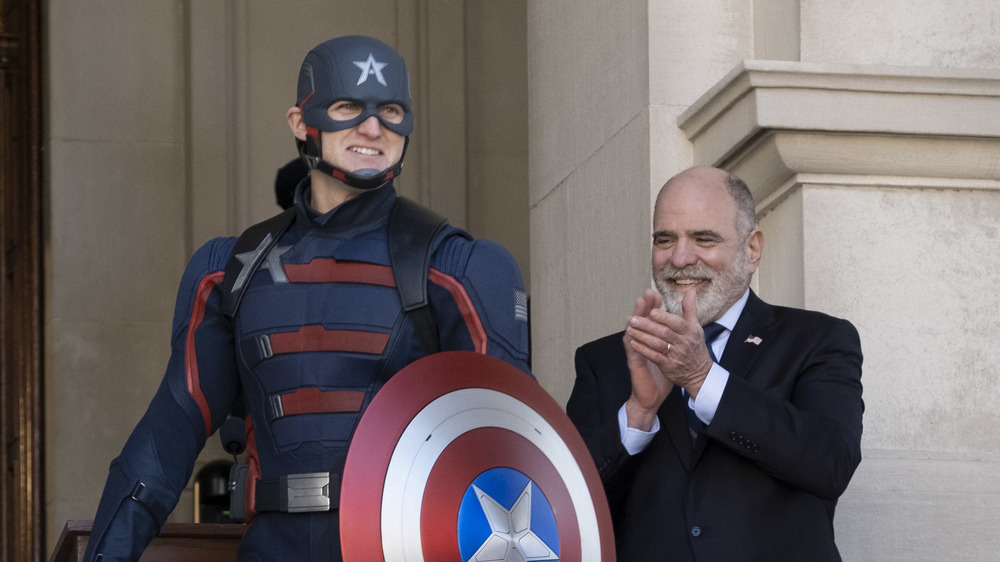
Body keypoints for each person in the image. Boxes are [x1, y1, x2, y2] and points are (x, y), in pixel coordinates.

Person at [84, 35, 530, 561]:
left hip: (398, 545)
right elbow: (166, 438)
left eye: (390, 110)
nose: (372, 128)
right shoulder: (226, 271)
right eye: (347, 107)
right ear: (301, 122)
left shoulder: (461, 267)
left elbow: (507, 458)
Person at [566, 166, 864, 560]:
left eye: (703, 238)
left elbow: (831, 464)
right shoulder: (606, 361)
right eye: (664, 239)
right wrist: (638, 414)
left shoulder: (816, 340)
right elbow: (567, 507)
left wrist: (703, 379)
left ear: (752, 249)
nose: (680, 257)